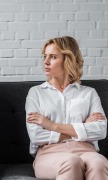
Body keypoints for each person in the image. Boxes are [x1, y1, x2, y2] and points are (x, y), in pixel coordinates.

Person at [25, 36, 108, 180]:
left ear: (68, 59)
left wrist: (52, 125)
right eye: (45, 56)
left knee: (99, 162)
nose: (45, 62)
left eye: (53, 57)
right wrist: (82, 127)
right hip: (49, 154)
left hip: (87, 150)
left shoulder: (89, 93)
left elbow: (100, 130)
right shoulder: (36, 93)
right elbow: (36, 136)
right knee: (71, 161)